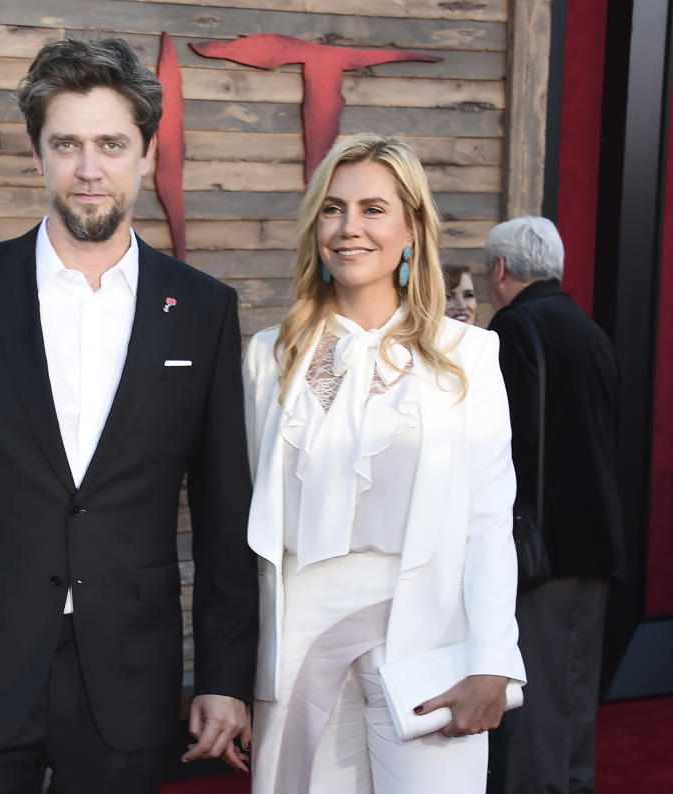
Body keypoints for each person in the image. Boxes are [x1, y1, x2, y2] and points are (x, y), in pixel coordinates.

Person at [0, 38, 257, 794]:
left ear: (146, 155)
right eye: (66, 144)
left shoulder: (201, 309)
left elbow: (223, 509)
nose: (88, 169)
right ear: (37, 157)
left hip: (130, 670)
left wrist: (224, 675)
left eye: (111, 144)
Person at [242, 133, 525, 794]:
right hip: (297, 640)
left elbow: (489, 520)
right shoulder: (267, 357)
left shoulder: (469, 356)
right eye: (333, 209)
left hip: (429, 634)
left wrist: (492, 659)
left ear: (411, 229)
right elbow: (246, 518)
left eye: (372, 209)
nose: (349, 228)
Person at [485, 216, 623, 794]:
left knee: (536, 696)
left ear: (500, 269)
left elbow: (503, 442)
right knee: (574, 690)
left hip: (541, 544)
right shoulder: (589, 330)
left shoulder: (515, 328)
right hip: (596, 539)